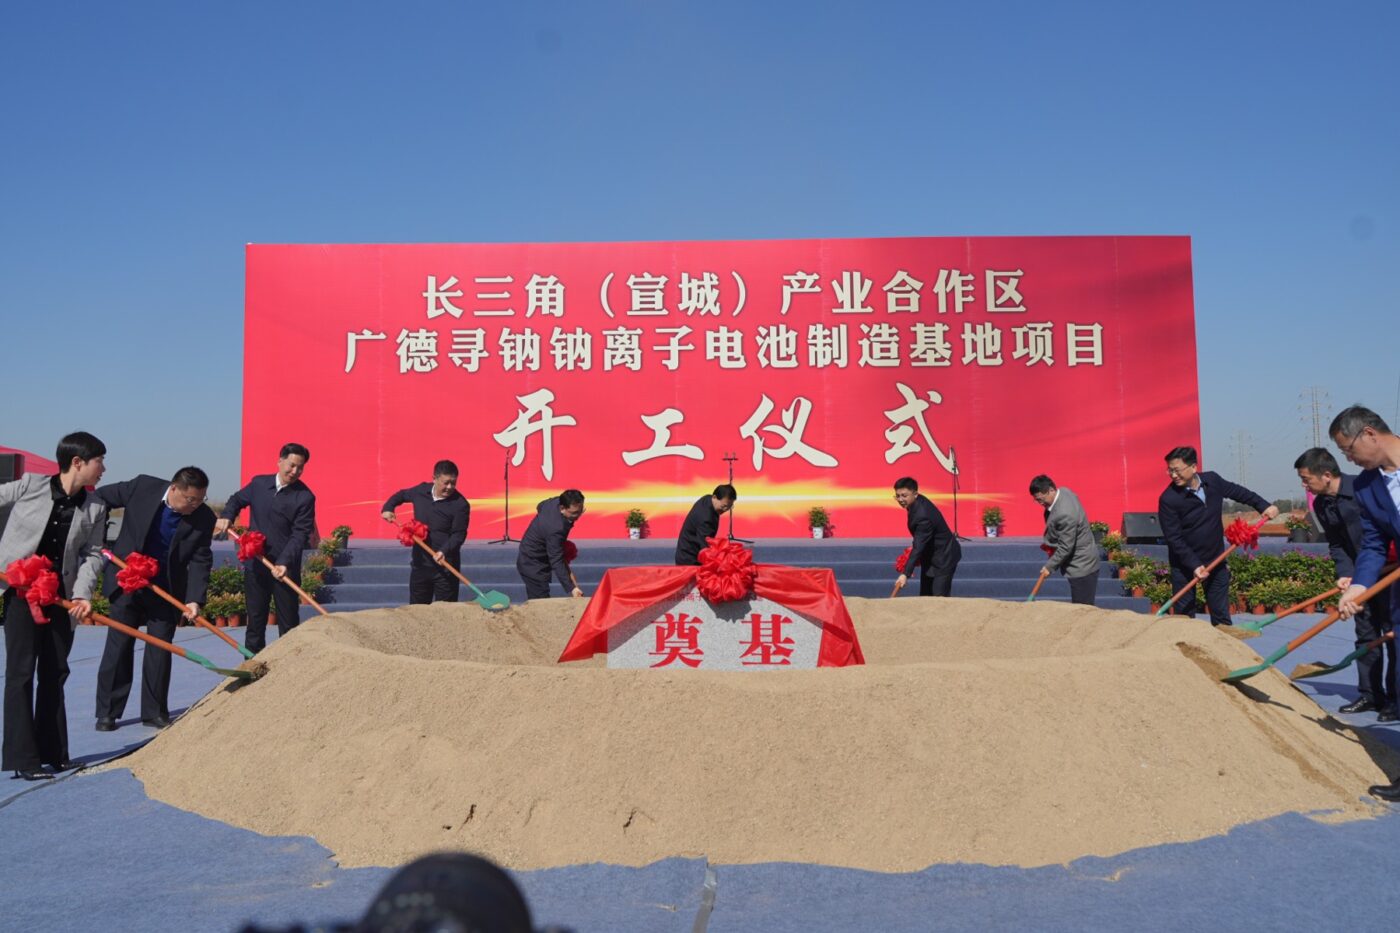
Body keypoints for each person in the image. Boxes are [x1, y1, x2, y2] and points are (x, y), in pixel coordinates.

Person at [0, 432, 107, 780]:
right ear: (77, 462)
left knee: (55, 672)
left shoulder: (95, 507)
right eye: (98, 461)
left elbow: (91, 555)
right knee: (20, 674)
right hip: (21, 594)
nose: (102, 469)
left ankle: (54, 752)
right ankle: (23, 759)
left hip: (62, 598)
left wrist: (83, 595)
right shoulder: (30, 485)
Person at [93, 467, 215, 731]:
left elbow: (201, 557)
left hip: (165, 588)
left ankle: (154, 711)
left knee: (160, 648)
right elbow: (99, 497)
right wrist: (99, 540)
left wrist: (195, 599)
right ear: (174, 489)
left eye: (200, 499)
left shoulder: (203, 517)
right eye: (190, 500)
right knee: (119, 646)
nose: (195, 506)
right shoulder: (142, 486)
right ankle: (107, 712)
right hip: (127, 579)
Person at [1330, 407, 1400, 801]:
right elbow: (1373, 544)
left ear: (1369, 434)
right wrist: (1359, 587)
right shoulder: (1366, 487)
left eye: (1348, 449)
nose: (1348, 459)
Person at [1297, 447, 1396, 721]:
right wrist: (1346, 573)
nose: (1304, 485)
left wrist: (1376, 569)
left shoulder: (1365, 489)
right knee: (1366, 635)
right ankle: (1370, 695)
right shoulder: (1320, 505)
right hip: (1359, 580)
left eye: (1307, 479)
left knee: (1391, 635)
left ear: (1326, 475)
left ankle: (1396, 699)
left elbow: (1384, 534)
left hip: (1387, 573)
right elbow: (1338, 543)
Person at [1157, 446, 1278, 626]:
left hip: (1215, 558)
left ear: (1193, 467)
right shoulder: (1169, 499)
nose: (1173, 475)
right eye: (1170, 470)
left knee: (1221, 615)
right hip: (1184, 564)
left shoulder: (1212, 481)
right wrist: (1194, 565)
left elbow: (1240, 492)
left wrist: (1264, 506)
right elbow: (1174, 538)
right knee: (1184, 620)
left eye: (1177, 470)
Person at [214, 443, 316, 653]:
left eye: (300, 468)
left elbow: (300, 534)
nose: (295, 471)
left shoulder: (305, 497)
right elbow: (236, 499)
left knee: (288, 624)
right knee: (256, 621)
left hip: (284, 570)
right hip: (256, 565)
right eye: (291, 465)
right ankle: (254, 665)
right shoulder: (259, 484)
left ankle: (289, 668)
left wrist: (284, 562)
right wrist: (227, 516)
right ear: (280, 461)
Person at [380, 460, 470, 605]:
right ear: (434, 478)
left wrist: (444, 551)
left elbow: (459, 535)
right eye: (445, 483)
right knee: (417, 612)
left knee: (446, 615)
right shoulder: (421, 491)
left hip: (445, 567)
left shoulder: (460, 504)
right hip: (420, 565)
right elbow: (401, 495)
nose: (449, 487)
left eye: (453, 483)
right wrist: (388, 508)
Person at [1029, 475, 1101, 605]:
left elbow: (1066, 547)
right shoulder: (1064, 492)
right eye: (1036, 500)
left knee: (1083, 609)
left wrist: (1049, 567)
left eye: (1041, 499)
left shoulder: (1064, 514)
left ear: (1051, 490)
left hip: (1082, 566)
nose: (1040, 503)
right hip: (1083, 559)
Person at [893, 477, 961, 596]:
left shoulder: (923, 516)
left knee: (939, 598)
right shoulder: (916, 502)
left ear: (915, 494)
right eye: (897, 496)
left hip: (944, 557)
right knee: (925, 596)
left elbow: (918, 546)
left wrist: (905, 574)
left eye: (904, 495)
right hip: (930, 556)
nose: (900, 499)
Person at [516, 489, 585, 599]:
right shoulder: (556, 529)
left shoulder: (556, 501)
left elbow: (540, 506)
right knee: (540, 600)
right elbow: (556, 560)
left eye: (581, 511)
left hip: (539, 552)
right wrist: (571, 588)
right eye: (574, 513)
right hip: (532, 563)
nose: (578, 516)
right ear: (562, 508)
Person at [674, 484, 736, 566]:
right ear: (714, 497)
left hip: (686, 553)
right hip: (690, 560)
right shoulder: (706, 519)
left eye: (729, 507)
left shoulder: (707, 499)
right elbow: (706, 547)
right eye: (724, 506)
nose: (725, 510)